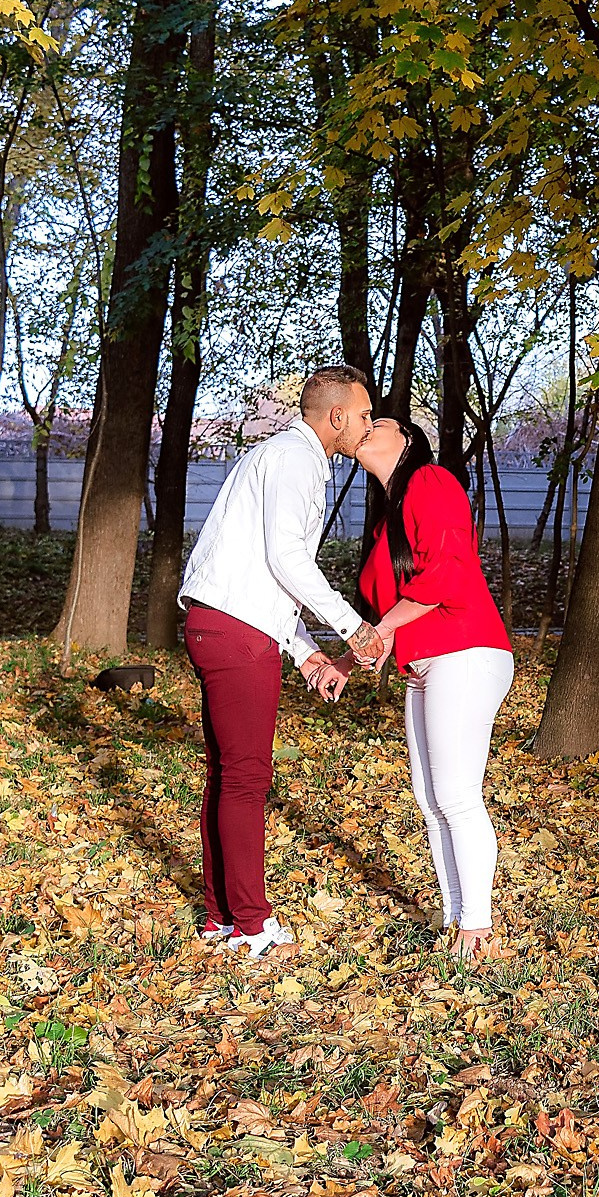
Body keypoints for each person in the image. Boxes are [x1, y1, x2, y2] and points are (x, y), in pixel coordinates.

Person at [177, 367, 387, 960]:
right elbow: (287, 558)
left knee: (227, 776)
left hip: (220, 623)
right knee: (246, 779)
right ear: (336, 417)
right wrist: (352, 626)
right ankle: (251, 925)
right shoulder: (295, 459)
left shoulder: (279, 456)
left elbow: (263, 575)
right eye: (363, 414)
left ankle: (221, 917)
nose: (368, 425)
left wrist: (305, 653)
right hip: (237, 634)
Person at [337, 418, 514, 958]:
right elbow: (391, 611)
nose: (367, 426)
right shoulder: (388, 517)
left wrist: (380, 632)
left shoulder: (430, 481)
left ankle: (477, 928)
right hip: (427, 663)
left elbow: (447, 574)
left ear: (409, 441)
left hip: (465, 649)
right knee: (431, 800)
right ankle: (457, 919)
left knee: (457, 796)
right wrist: (352, 656)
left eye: (379, 422)